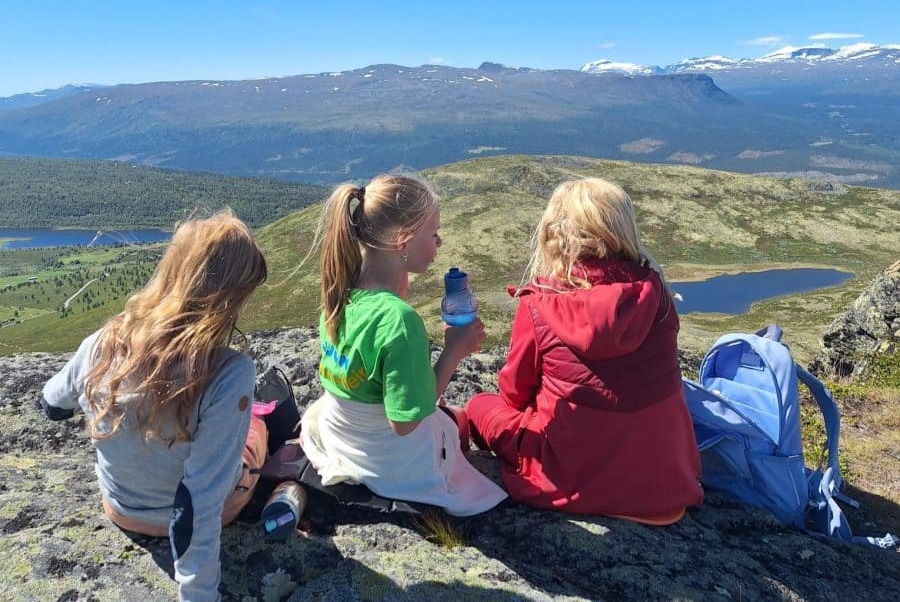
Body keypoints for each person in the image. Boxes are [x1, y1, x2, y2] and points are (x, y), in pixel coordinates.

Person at [42, 210, 268, 601]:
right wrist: (199, 594)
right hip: (192, 514)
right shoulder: (230, 372)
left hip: (120, 508)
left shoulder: (104, 341)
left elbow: (52, 403)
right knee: (259, 429)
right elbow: (198, 502)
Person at [465, 178, 703, 524]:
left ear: (553, 235)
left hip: (568, 484)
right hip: (665, 492)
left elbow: (513, 394)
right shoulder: (657, 296)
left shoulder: (540, 304)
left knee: (479, 406)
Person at [299, 174, 506, 515]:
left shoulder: (340, 292)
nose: (439, 242)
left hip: (340, 440)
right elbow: (405, 422)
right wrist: (455, 350)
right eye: (433, 232)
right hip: (387, 462)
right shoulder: (400, 320)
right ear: (402, 240)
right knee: (452, 426)